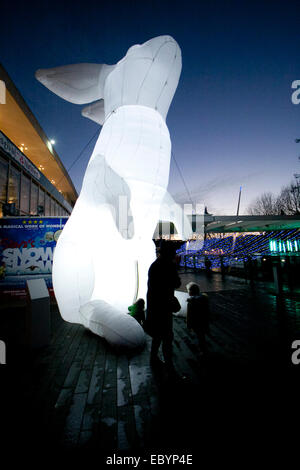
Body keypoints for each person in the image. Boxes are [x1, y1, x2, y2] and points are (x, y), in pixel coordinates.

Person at [145, 241, 181, 370]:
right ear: (169, 253)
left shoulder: (154, 265)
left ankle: (154, 357)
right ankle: (169, 365)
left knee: (157, 334)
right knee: (167, 336)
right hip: (164, 306)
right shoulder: (169, 266)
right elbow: (176, 283)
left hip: (155, 305)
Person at [186, 282, 210, 354]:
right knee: (202, 336)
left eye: (188, 290)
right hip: (203, 321)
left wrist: (188, 324)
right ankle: (204, 349)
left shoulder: (191, 302)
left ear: (190, 291)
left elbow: (189, 315)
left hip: (195, 323)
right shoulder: (204, 299)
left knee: (199, 336)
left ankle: (202, 350)